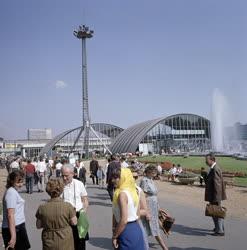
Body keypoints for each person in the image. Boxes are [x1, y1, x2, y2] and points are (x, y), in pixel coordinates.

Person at [35, 178, 77, 250]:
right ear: (61, 190)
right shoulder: (68, 206)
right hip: (65, 237)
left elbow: (38, 225)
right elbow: (74, 222)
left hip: (49, 238)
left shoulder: (42, 207)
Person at [111, 168, 145, 250]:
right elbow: (137, 214)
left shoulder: (122, 194)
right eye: (112, 178)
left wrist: (114, 236)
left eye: (116, 178)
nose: (113, 180)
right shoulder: (132, 192)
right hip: (135, 229)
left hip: (126, 230)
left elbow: (123, 220)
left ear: (123, 178)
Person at [140, 165, 169, 250]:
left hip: (154, 205)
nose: (155, 173)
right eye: (154, 172)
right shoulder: (144, 181)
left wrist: (158, 208)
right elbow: (143, 196)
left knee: (149, 226)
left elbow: (154, 195)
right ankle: (164, 247)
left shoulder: (151, 180)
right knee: (153, 226)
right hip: (148, 206)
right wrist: (146, 211)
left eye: (155, 172)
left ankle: (139, 243)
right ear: (149, 172)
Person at [61, 164, 89, 250]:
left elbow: (85, 200)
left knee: (80, 242)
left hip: (79, 215)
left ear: (72, 174)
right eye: (63, 175)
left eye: (66, 175)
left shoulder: (79, 184)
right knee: (67, 243)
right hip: (65, 217)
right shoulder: (60, 185)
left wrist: (83, 212)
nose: (64, 178)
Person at [2, 170, 31, 250]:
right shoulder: (11, 193)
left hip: (17, 226)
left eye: (22, 182)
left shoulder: (12, 191)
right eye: (18, 182)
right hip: (15, 228)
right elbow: (10, 215)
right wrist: (13, 236)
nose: (21, 184)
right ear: (11, 181)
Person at [205, 153, 227, 236]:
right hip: (214, 195)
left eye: (207, 160)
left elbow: (217, 185)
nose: (205, 162)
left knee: (216, 212)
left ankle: (220, 230)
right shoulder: (213, 168)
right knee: (216, 212)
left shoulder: (215, 169)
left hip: (215, 196)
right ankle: (219, 228)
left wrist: (216, 198)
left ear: (212, 160)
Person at [130, 168, 150, 250]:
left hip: (135, 222)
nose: (134, 179)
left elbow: (144, 210)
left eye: (136, 177)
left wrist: (131, 213)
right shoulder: (120, 190)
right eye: (132, 177)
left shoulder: (138, 190)